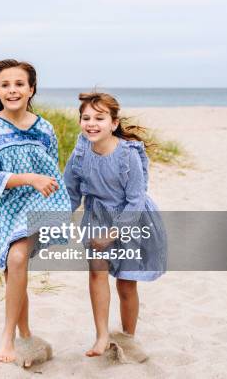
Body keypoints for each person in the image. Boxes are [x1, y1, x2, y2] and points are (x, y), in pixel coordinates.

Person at [0, 59, 71, 363]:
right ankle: (26, 334)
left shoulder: (45, 128)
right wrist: (29, 178)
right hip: (4, 207)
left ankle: (8, 337)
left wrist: (42, 184)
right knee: (13, 269)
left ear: (31, 89)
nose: (12, 90)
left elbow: (51, 172)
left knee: (17, 258)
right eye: (5, 85)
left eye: (19, 84)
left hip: (41, 203)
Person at [63, 92, 167, 357]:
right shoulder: (80, 151)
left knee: (125, 283)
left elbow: (136, 200)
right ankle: (102, 336)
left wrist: (113, 232)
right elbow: (71, 192)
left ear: (113, 122)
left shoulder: (127, 155)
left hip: (131, 220)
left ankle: (129, 337)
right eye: (86, 117)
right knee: (97, 272)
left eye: (100, 117)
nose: (92, 123)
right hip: (97, 218)